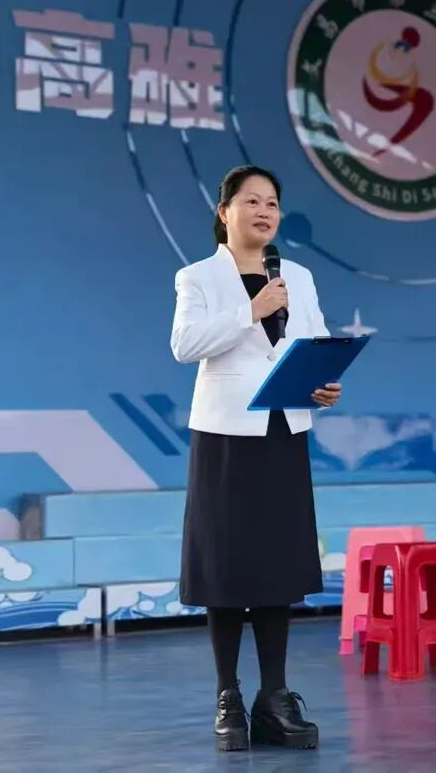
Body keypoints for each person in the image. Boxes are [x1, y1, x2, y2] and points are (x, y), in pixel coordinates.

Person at [170, 164, 341, 752]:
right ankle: (229, 695)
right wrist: (252, 307)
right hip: (225, 435)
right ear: (225, 213)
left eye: (272, 202)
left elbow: (314, 340)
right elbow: (185, 345)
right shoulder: (197, 277)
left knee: (276, 563)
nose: (265, 211)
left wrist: (323, 381)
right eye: (252, 201)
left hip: (283, 428)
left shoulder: (299, 276)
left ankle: (275, 696)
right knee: (225, 564)